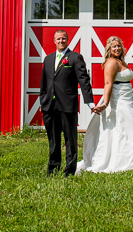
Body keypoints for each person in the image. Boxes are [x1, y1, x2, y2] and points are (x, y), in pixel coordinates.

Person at [77, 36, 133, 174]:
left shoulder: (121, 61)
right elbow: (108, 84)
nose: (117, 48)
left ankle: (130, 159)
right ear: (109, 49)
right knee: (127, 129)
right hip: (119, 101)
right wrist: (105, 103)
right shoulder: (111, 62)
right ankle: (125, 161)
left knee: (128, 129)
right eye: (114, 46)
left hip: (127, 99)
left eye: (119, 46)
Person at [39, 29, 95, 177]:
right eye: (58, 39)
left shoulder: (75, 58)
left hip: (68, 105)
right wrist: (42, 101)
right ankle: (53, 169)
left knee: (70, 139)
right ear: (54, 41)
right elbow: (44, 83)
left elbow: (84, 80)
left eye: (63, 38)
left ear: (67, 40)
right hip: (49, 106)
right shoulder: (48, 59)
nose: (61, 41)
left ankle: (69, 171)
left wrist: (89, 102)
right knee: (53, 139)